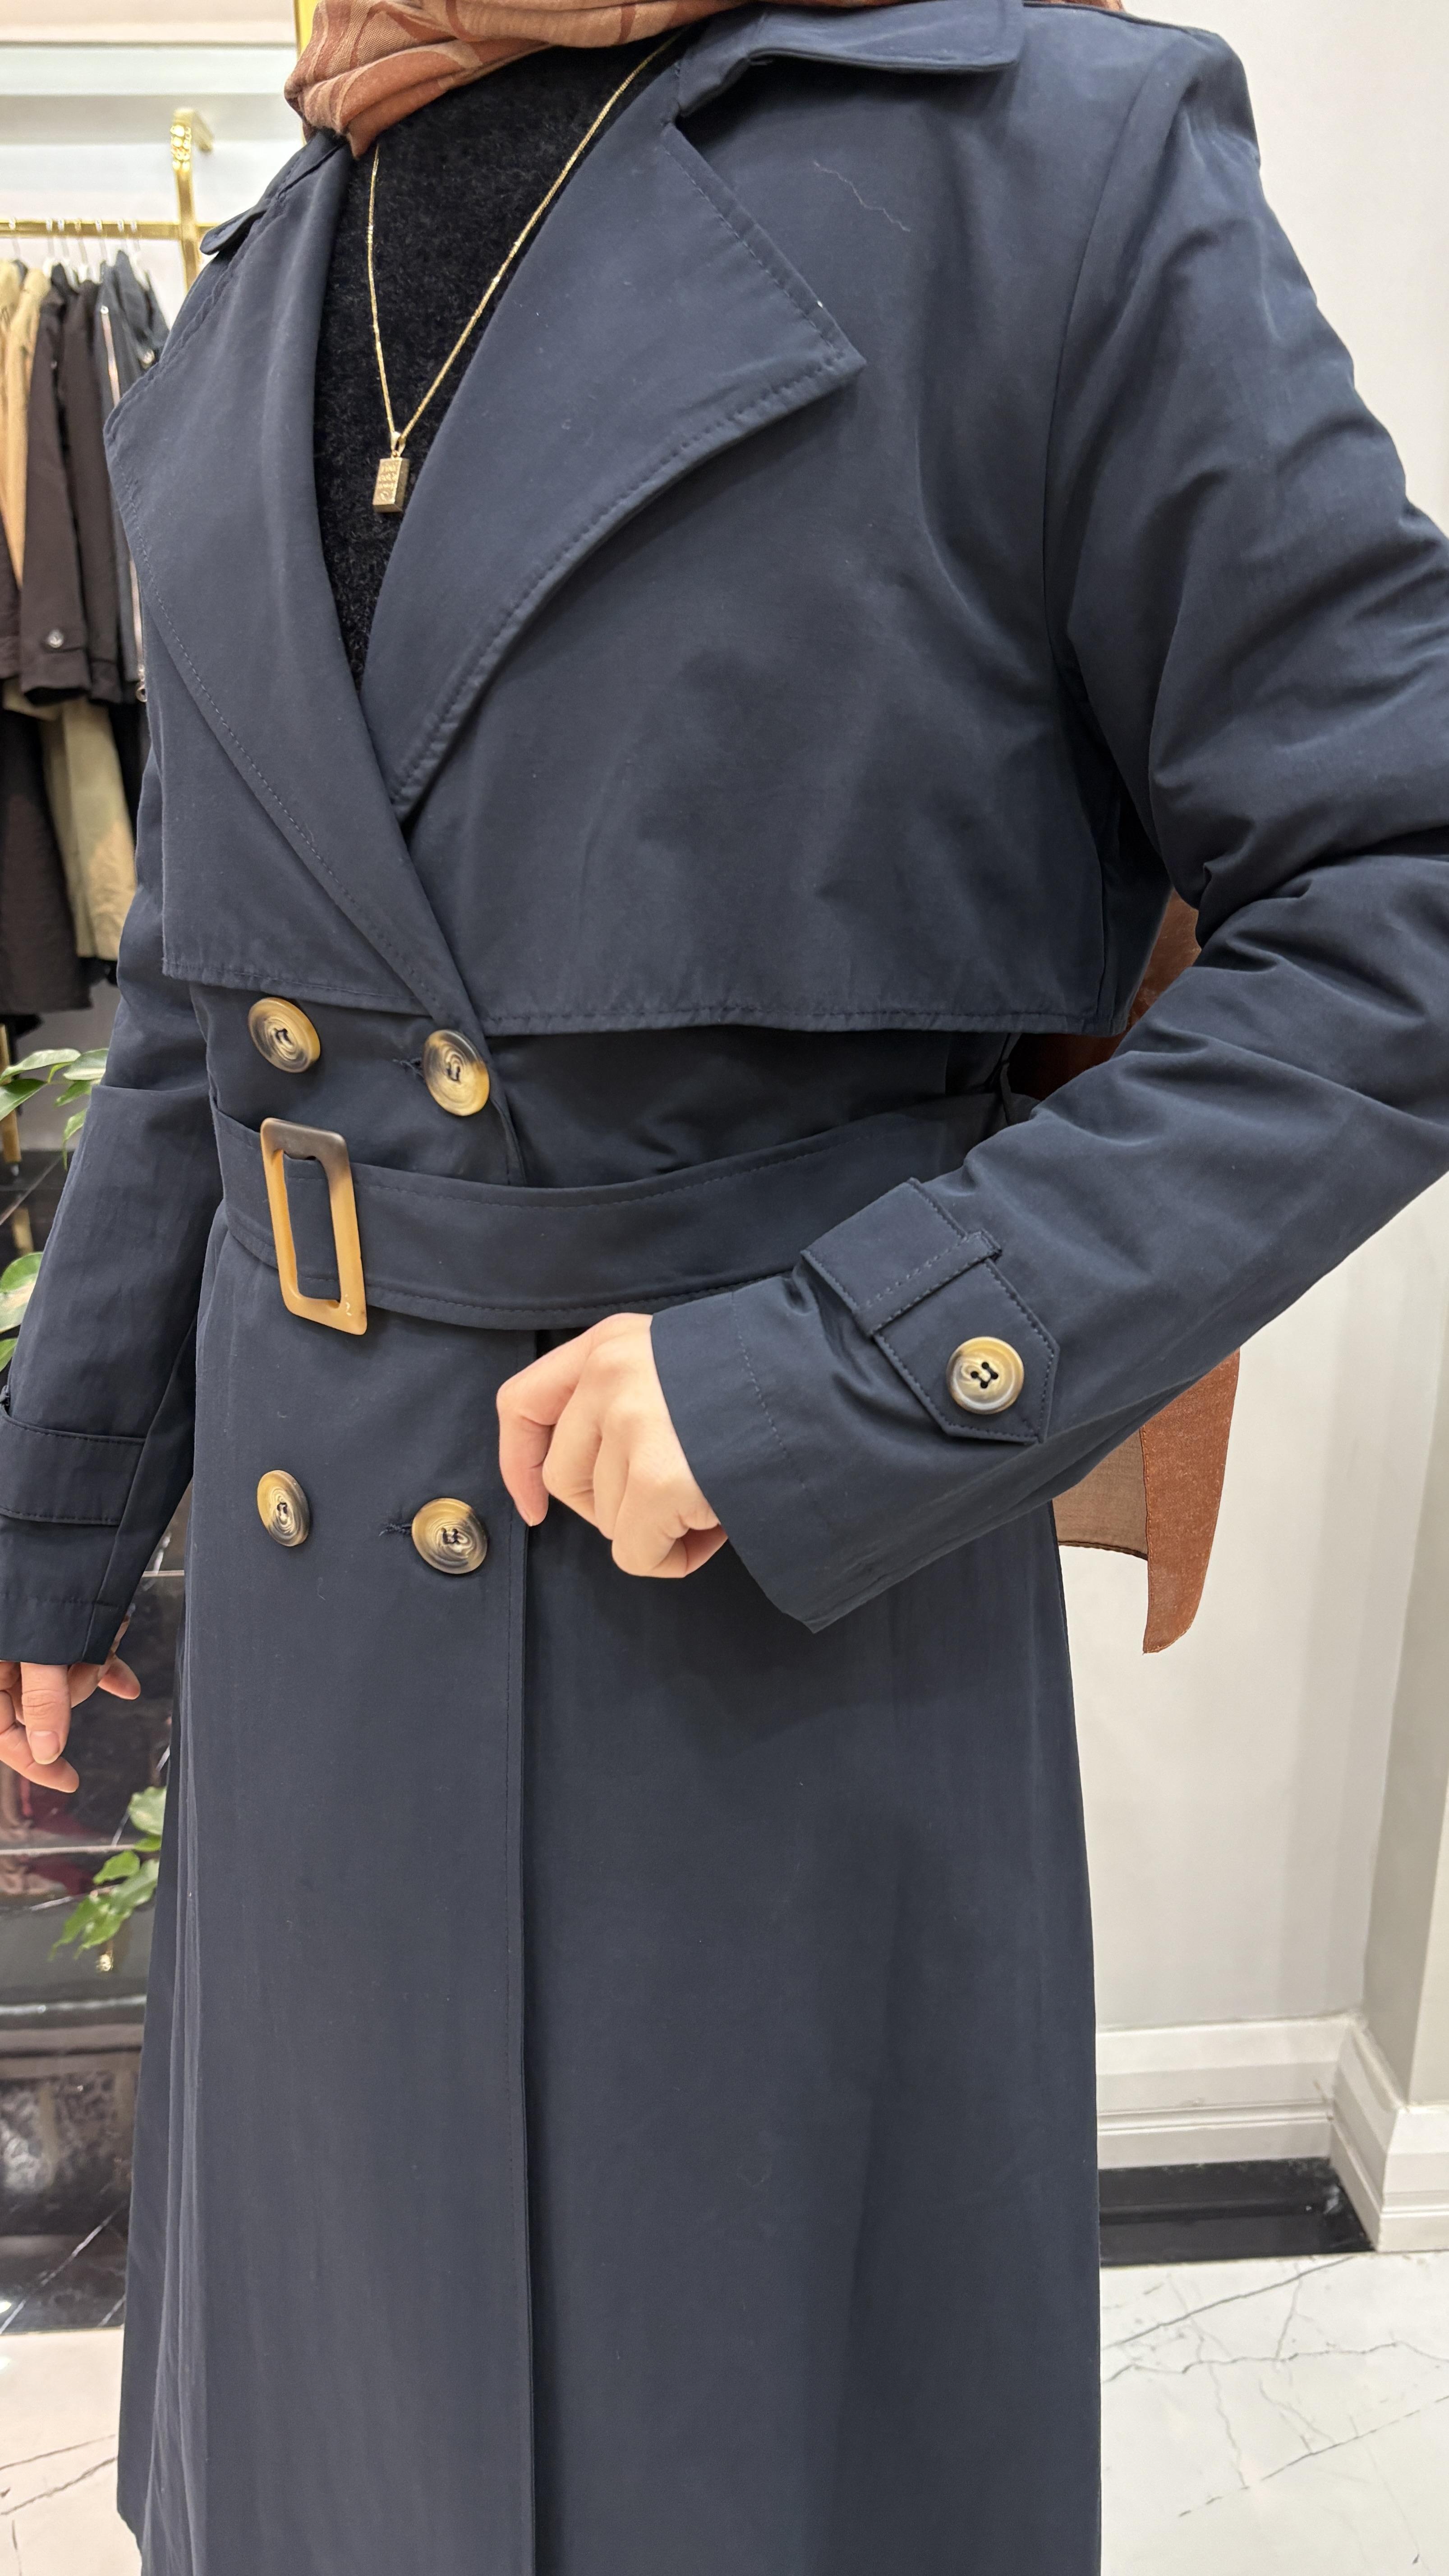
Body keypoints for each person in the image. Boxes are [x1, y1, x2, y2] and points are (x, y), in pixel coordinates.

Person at [2, 0, 1448, 2568]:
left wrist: (852, 1375)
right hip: (318, 1663)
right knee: (337, 2460)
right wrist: (60, 1521)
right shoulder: (260, 284)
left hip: (750, 1616)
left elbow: (1402, 885)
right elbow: (213, 1006)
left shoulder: (1048, 165)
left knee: (739, 2459)